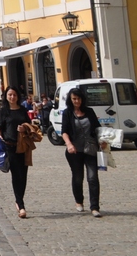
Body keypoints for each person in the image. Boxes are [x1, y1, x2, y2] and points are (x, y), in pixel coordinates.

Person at [59, 87, 102, 217]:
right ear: (70, 100)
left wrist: (102, 140)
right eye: (74, 99)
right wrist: (69, 144)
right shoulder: (67, 113)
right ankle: (79, 201)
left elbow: (97, 128)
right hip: (74, 151)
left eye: (78, 98)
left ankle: (94, 207)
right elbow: (64, 131)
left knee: (92, 177)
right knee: (78, 178)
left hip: (90, 149)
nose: (76, 101)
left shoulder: (89, 112)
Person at [0, 86, 34, 218]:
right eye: (10, 95)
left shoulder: (22, 110)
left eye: (14, 95)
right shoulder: (3, 111)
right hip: (9, 146)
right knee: (16, 175)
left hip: (23, 146)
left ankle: (19, 199)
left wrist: (24, 128)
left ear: (18, 96)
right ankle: (20, 203)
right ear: (6, 96)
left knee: (23, 175)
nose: (12, 97)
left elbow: (30, 125)